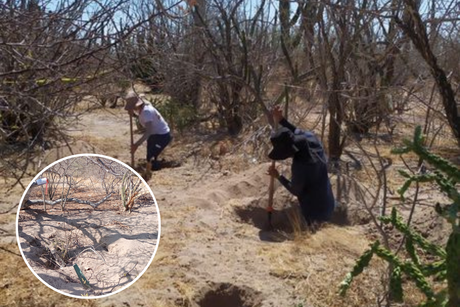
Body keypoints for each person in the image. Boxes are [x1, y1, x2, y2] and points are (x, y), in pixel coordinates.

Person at [267, 106, 335, 226]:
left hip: (315, 212)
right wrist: (281, 120)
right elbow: (295, 131)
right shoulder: (311, 138)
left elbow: (296, 190)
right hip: (328, 201)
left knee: (314, 235)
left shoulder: (302, 165)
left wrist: (278, 176)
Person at [124, 92, 172, 171]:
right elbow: (143, 119)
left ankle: (155, 168)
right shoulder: (143, 108)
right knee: (149, 157)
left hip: (162, 136)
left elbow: (148, 131)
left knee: (151, 158)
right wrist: (133, 115)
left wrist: (136, 145)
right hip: (154, 135)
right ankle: (153, 163)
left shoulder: (146, 112)